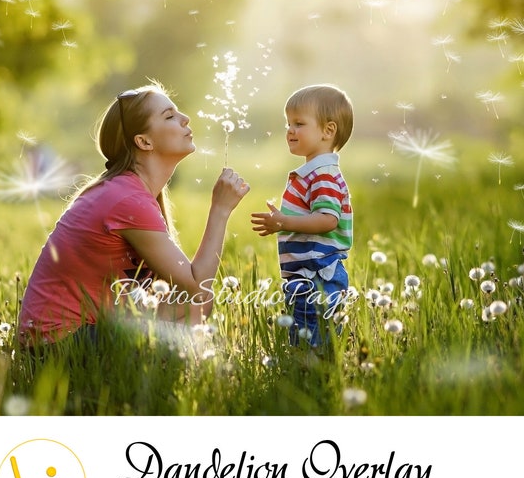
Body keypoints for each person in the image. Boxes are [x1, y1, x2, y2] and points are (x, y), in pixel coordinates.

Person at [18, 82, 250, 347]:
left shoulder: (129, 191)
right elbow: (196, 289)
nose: (185, 119)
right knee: (191, 304)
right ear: (144, 141)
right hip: (58, 345)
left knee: (182, 307)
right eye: (170, 116)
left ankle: (163, 373)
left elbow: (178, 294)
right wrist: (220, 210)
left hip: (68, 337)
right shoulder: (128, 199)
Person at [251, 84, 353, 347]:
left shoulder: (323, 175)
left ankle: (313, 377)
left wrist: (284, 222)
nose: (290, 130)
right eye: (288, 123)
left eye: (299, 123)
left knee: (312, 338)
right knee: (307, 334)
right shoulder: (314, 173)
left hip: (317, 276)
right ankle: (312, 374)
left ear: (328, 131)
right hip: (307, 274)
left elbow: (328, 219)